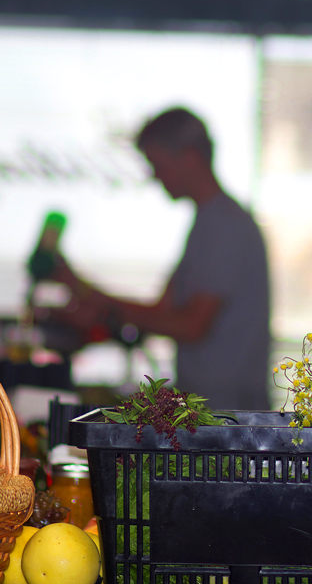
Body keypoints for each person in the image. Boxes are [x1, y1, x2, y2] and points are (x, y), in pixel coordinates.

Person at [47, 107, 272, 410]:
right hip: (211, 407)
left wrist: (93, 298)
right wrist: (88, 299)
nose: (154, 176)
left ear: (190, 157)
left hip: (231, 417)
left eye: (157, 164)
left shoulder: (226, 225)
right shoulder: (208, 223)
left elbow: (191, 325)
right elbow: (162, 312)